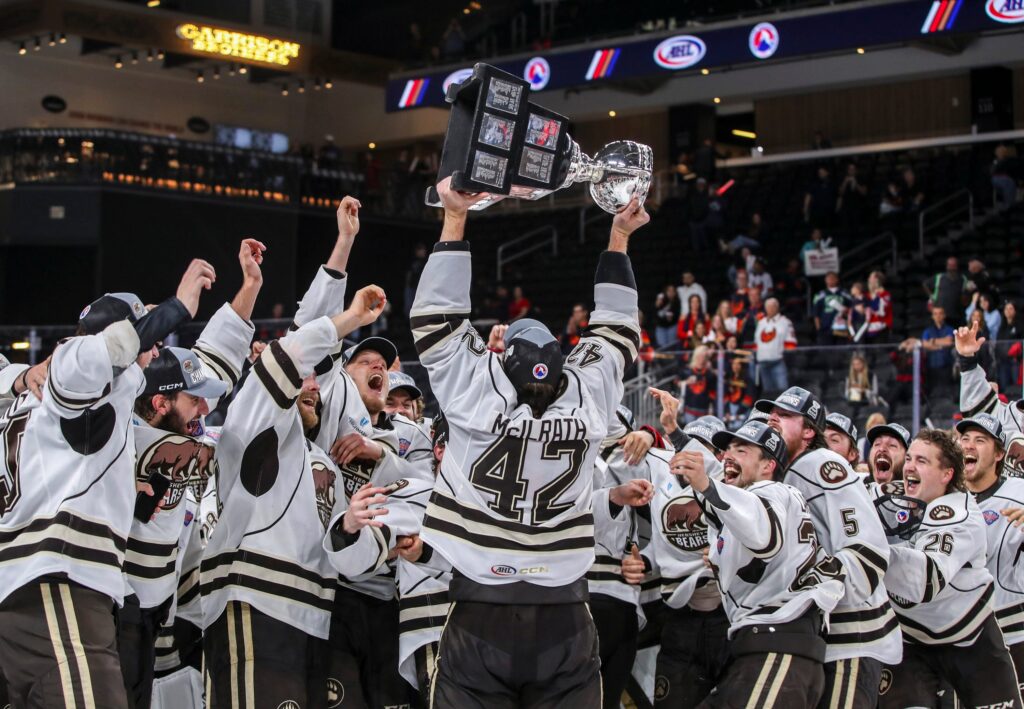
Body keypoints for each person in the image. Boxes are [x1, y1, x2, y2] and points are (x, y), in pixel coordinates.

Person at [412, 177, 648, 706]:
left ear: (502, 358)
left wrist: (455, 218)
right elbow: (616, 332)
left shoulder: (476, 391)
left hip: (480, 605)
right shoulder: (588, 397)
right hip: (564, 608)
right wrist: (619, 237)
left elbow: (436, 317)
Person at [0, 260, 215, 708]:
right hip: (57, 581)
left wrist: (16, 375)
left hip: (29, 589)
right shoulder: (84, 375)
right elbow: (85, 360)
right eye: (146, 337)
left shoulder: (22, 394)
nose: (154, 350)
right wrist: (175, 308)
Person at [122, 239, 265, 708]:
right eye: (193, 399)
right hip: (111, 601)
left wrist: (250, 284)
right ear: (160, 403)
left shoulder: (190, 428)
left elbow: (221, 352)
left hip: (162, 603)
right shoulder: (117, 432)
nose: (206, 407)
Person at [670, 420, 845, 707]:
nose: (727, 456)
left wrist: (704, 483)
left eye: (741, 450)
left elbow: (763, 536)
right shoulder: (756, 499)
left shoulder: (769, 492)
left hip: (777, 644)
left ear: (768, 466)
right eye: (727, 449)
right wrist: (675, 434)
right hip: (771, 649)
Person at [756, 387, 901, 708]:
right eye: (772, 414)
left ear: (809, 431)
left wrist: (813, 586)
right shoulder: (785, 472)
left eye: (785, 415)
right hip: (822, 638)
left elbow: (868, 553)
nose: (773, 419)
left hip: (852, 638)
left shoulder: (820, 465)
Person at [875, 429, 1021, 708]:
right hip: (910, 641)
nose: (909, 467)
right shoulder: (890, 496)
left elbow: (924, 581)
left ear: (947, 474)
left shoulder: (960, 514)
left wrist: (872, 549)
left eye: (922, 461)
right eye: (908, 458)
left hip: (972, 639)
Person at [644, 400, 730, 707]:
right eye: (689, 448)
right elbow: (656, 546)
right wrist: (639, 562)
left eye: (704, 449)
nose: (693, 457)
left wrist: (725, 552)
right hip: (679, 614)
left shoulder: (734, 488)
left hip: (728, 617)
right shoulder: (659, 485)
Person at [956, 414, 1024, 684]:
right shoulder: (946, 500)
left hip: (1017, 632)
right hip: (963, 636)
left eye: (980, 440)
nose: (969, 446)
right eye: (965, 439)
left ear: (999, 454)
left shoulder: (1020, 491)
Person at [753, 297, 796, 398]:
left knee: (783, 391)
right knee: (768, 393)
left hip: (778, 362)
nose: (770, 309)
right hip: (762, 363)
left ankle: (785, 412)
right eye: (768, 307)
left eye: (772, 307)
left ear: (777, 307)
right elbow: (756, 342)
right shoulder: (761, 322)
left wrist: (786, 357)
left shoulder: (785, 322)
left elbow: (791, 343)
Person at [923, 257, 967, 328]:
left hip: (956, 314)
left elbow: (964, 296)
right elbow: (925, 284)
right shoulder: (939, 277)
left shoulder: (963, 279)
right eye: (950, 265)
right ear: (947, 266)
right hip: (940, 314)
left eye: (953, 265)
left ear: (957, 266)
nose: (951, 267)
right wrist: (931, 296)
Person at [921, 306, 955, 394]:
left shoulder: (950, 329)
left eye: (940, 313)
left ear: (944, 315)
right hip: (931, 366)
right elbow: (925, 344)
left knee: (946, 391)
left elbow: (949, 342)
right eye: (935, 314)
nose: (938, 316)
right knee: (933, 392)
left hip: (946, 366)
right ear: (932, 316)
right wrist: (940, 345)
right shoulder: (928, 331)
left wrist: (933, 341)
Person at [813, 272, 852, 348]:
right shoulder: (820, 295)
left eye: (833, 278)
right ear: (825, 280)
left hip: (841, 328)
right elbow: (816, 313)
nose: (831, 280)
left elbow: (852, 308)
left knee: (841, 350)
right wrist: (818, 328)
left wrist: (847, 312)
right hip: (825, 327)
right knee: (826, 351)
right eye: (828, 278)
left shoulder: (844, 293)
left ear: (837, 279)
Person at [679, 345, 716, 424]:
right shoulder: (687, 370)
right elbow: (677, 383)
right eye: (700, 356)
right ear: (696, 356)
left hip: (703, 409)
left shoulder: (709, 374)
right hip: (689, 408)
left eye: (704, 356)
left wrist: (711, 408)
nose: (702, 359)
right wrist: (686, 382)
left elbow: (712, 392)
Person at [998, 300, 1021, 395]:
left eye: (1010, 308)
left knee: (1016, 385)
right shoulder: (1002, 326)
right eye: (1006, 309)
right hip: (1003, 360)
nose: (1008, 311)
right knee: (1004, 384)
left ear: (1015, 311)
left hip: (1015, 360)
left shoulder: (1019, 326)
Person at [864, 271, 892, 344]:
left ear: (877, 280)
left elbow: (881, 311)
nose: (868, 279)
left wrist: (876, 295)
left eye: (871, 277)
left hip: (881, 328)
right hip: (867, 328)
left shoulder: (885, 294)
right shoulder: (866, 295)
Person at [991, 144, 1019, 210]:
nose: (1000, 153)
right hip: (999, 178)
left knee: (1010, 185)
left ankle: (1008, 204)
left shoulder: (1008, 160)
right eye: (999, 152)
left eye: (1002, 151)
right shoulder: (996, 161)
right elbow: (992, 171)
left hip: (1006, 179)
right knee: (1008, 184)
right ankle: (1007, 205)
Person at [654, 284, 681, 349]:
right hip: (661, 326)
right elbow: (655, 312)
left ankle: (671, 359)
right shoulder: (661, 299)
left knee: (671, 346)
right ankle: (664, 359)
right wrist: (657, 304)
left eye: (672, 291)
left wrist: (672, 318)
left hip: (672, 326)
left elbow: (678, 315)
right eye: (669, 291)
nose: (670, 293)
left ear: (675, 293)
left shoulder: (677, 302)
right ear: (666, 292)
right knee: (662, 347)